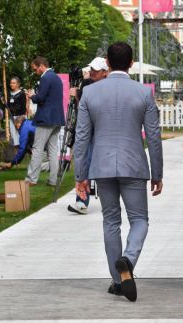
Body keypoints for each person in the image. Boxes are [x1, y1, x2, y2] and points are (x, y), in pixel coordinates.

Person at [73, 42, 163, 302]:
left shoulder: (89, 94)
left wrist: (80, 176)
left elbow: (81, 138)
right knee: (140, 220)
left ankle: (117, 279)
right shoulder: (143, 93)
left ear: (108, 64)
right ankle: (129, 260)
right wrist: (157, 172)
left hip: (101, 166)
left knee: (110, 221)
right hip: (134, 164)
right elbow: (154, 137)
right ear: (132, 63)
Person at [67, 57, 108, 215]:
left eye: (95, 70)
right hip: (88, 130)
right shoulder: (86, 84)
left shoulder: (108, 86)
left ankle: (108, 199)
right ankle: (82, 201)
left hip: (103, 131)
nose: (92, 72)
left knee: (103, 165)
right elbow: (81, 107)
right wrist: (77, 96)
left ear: (104, 72)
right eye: (91, 69)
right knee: (85, 161)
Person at [25, 56, 65, 186]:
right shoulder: (57, 78)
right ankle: (53, 180)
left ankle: (31, 179)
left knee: (37, 149)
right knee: (53, 151)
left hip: (46, 119)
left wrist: (32, 96)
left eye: (35, 69)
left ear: (42, 66)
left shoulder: (46, 78)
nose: (35, 72)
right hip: (57, 118)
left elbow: (40, 98)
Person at [6, 77, 28, 146]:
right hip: (12, 116)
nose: (11, 84)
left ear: (18, 84)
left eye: (14, 83)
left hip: (20, 116)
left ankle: (24, 148)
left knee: (21, 133)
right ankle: (16, 149)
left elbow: (23, 107)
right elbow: (8, 105)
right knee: (13, 134)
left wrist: (21, 117)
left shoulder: (21, 94)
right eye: (11, 83)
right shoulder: (9, 94)